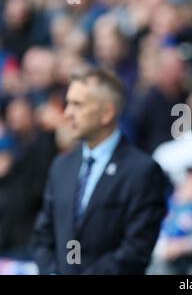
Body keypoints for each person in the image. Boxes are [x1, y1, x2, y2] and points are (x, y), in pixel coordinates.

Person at [32, 68, 169, 274]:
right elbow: (43, 235)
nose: (68, 113)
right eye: (68, 103)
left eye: (78, 105)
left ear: (107, 113)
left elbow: (136, 250)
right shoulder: (61, 166)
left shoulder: (142, 171)